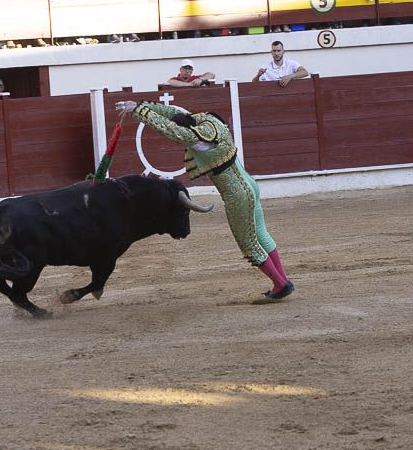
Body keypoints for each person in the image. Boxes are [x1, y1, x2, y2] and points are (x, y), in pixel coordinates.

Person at [115, 99, 295, 301]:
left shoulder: (194, 138)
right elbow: (172, 113)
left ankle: (280, 285)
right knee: (261, 234)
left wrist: (138, 110)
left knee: (249, 244)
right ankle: (284, 281)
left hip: (237, 194)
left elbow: (167, 127)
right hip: (250, 184)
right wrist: (139, 106)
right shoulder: (207, 120)